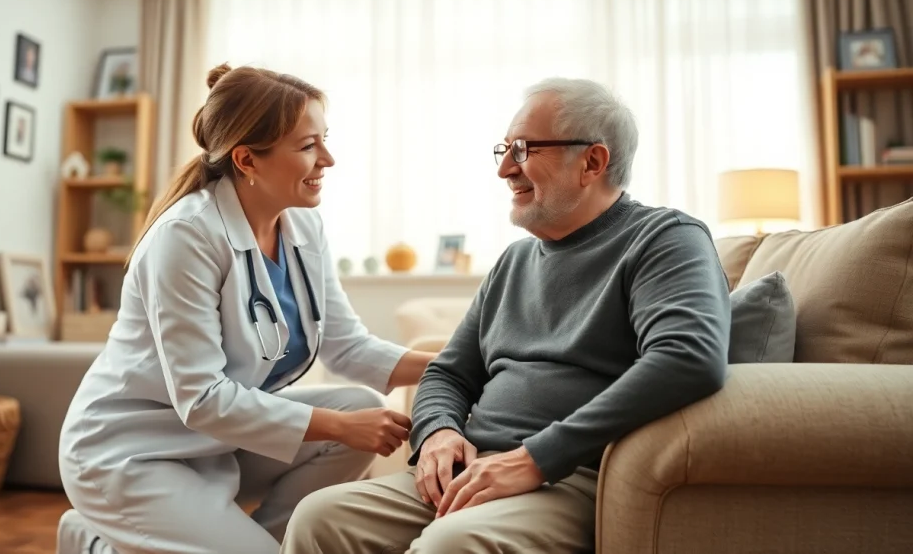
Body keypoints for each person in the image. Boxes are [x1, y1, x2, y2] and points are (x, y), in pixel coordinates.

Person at [281, 77, 732, 553]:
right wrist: (438, 432)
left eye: (522, 149)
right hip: (473, 470)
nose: (503, 170)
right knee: (318, 517)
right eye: (504, 149)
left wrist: (535, 458)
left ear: (593, 162)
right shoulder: (515, 261)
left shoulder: (666, 239)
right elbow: (449, 373)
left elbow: (688, 357)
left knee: (450, 546)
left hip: (567, 476)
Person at [57, 64, 436, 554]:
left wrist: (457, 368)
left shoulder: (302, 228)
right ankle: (92, 542)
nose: (329, 158)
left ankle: (274, 544)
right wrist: (338, 426)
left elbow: (347, 347)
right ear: (247, 160)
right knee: (347, 422)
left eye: (325, 139)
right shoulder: (187, 236)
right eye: (307, 146)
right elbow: (200, 398)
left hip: (215, 441)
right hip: (130, 452)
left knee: (361, 405)